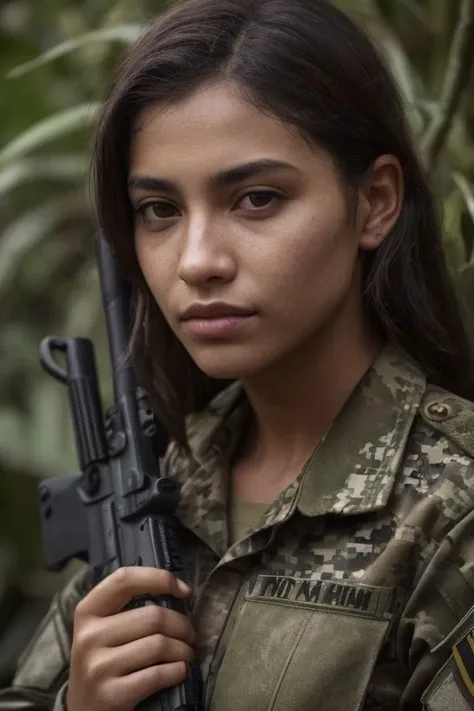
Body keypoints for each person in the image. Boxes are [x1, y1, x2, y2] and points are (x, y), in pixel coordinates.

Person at [2, 0, 474, 709]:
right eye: (159, 210)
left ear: (374, 201)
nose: (197, 262)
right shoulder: (169, 476)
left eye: (256, 198)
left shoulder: (452, 513)